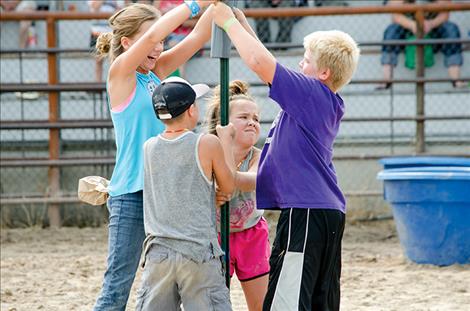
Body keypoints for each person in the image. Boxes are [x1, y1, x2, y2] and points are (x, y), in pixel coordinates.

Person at [212, 2, 360, 310]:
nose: (299, 66)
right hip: (325, 211)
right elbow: (269, 70)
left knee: (287, 301)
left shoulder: (310, 94)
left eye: (305, 61)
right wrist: (242, 23)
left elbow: (258, 62)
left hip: (306, 210)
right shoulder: (316, 99)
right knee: (317, 299)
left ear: (323, 72)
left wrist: (227, 23)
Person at [92, 1, 215, 310]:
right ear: (127, 42)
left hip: (164, 194)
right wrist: (194, 3)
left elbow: (198, 38)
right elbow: (153, 38)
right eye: (152, 39)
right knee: (118, 285)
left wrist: (218, 7)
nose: (159, 47)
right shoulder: (122, 73)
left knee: (164, 282)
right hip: (132, 193)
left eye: (161, 42)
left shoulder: (155, 73)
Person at [137, 76, 235, 311]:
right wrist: (227, 143)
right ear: (191, 110)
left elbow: (170, 189)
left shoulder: (148, 147)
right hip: (197, 251)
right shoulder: (207, 143)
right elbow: (229, 185)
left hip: (158, 251)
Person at [206, 80, 270, 311]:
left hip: (251, 234)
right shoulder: (205, 151)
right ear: (223, 124)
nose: (252, 122)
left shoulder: (259, 157)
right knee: (214, 303)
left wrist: (224, 185)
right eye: (244, 117)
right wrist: (210, 195)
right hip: (214, 236)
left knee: (261, 304)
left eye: (256, 119)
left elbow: (241, 182)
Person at [378, 0, 465, 89]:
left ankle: (456, 79)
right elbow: (394, 13)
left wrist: (431, 24)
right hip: (407, 29)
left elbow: (446, 11)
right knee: (392, 30)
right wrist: (412, 25)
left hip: (433, 29)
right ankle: (386, 79)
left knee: (451, 29)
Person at [156, 0, 198, 78]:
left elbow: (198, 16)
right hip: (166, 33)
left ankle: (180, 78)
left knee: (175, 43)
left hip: (183, 35)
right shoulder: (159, 1)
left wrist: (178, 20)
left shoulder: (189, 1)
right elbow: (155, 16)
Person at [88, 0, 124, 82]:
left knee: (113, 59)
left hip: (112, 32)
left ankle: (113, 83)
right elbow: (94, 7)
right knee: (98, 60)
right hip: (97, 32)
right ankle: (98, 85)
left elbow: (120, 10)